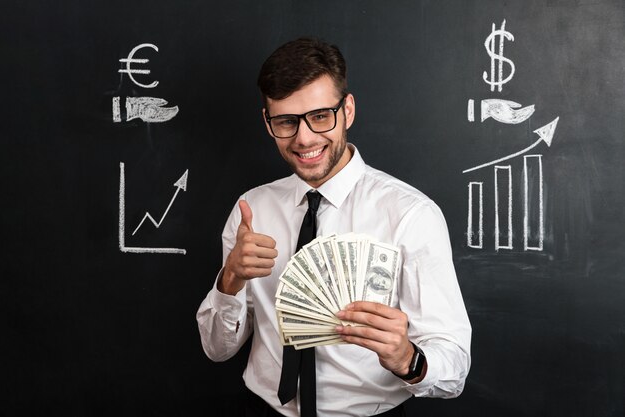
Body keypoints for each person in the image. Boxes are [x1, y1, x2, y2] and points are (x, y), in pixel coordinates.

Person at [196, 37, 471, 417]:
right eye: (286, 121)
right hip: (260, 409)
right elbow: (217, 349)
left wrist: (409, 359)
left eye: (320, 116)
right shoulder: (252, 209)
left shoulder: (411, 214)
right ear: (267, 121)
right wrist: (230, 280)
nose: (304, 138)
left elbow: (453, 368)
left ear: (348, 111)